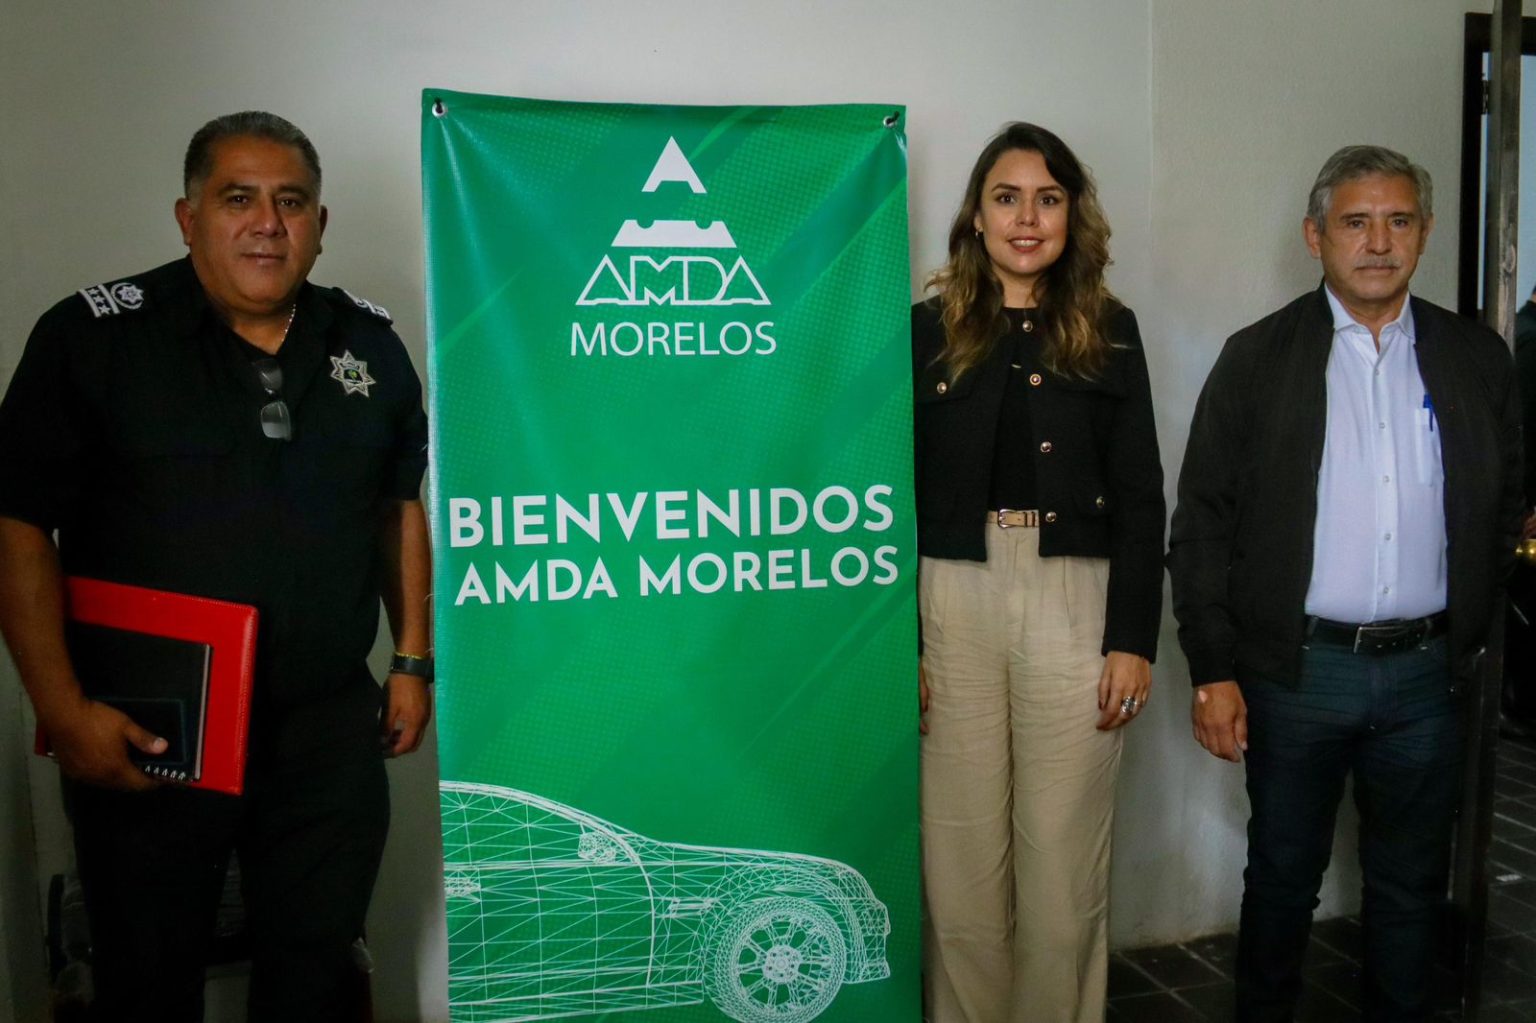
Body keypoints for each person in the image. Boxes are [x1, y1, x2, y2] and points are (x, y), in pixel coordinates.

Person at [0, 111, 433, 1022]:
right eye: (239, 199)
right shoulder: (93, 340)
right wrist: (62, 710)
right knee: (146, 982)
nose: (267, 223)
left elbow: (397, 507)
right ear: (188, 217)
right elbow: (19, 524)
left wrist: (411, 660)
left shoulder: (369, 346)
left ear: (321, 223)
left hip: (324, 734)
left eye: (291, 202)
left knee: (316, 977)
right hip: (153, 732)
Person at [1168, 145, 1521, 1021]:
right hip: (1299, 673)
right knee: (1283, 878)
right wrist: (1213, 668)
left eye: (1399, 221)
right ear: (1315, 235)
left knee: (1410, 887)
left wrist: (1473, 635)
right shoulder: (1258, 357)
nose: (1379, 242)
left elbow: (1504, 500)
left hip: (1426, 677)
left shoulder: (1475, 358)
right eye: (1356, 222)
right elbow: (1202, 523)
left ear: (1425, 232)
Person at [914, 122, 1165, 1023]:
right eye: (1007, 197)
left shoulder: (1111, 331)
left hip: (1075, 598)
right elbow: (882, 496)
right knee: (960, 866)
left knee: (1063, 871)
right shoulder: (924, 331)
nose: (1027, 218)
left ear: (1072, 215)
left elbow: (1141, 496)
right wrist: (900, 643)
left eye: (1048, 198)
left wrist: (1132, 639)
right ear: (976, 217)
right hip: (951, 595)